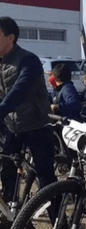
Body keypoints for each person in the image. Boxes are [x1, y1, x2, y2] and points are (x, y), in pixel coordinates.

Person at [0, 16, 57, 214]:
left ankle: (60, 225)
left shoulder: (28, 60)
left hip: (37, 125)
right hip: (12, 127)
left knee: (46, 177)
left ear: (11, 38)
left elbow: (19, 91)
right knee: (7, 173)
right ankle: (7, 221)